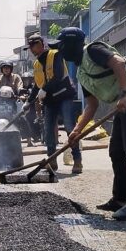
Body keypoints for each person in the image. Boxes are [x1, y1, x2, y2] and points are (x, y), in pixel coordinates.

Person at [54, 27, 126, 220]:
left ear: (72, 44)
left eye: (62, 46)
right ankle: (120, 198)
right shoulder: (81, 73)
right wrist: (75, 132)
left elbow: (118, 62)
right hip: (124, 103)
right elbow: (91, 105)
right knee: (116, 150)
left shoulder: (93, 50)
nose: (61, 52)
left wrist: (124, 93)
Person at [22, 33, 82, 174]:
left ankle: (77, 160)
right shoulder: (36, 64)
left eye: (35, 45)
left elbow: (58, 75)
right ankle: (52, 161)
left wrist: (44, 89)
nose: (33, 49)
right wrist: (28, 102)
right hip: (50, 100)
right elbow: (37, 85)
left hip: (64, 95)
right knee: (48, 130)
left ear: (42, 44)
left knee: (69, 126)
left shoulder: (55, 55)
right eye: (31, 47)